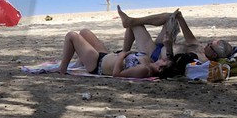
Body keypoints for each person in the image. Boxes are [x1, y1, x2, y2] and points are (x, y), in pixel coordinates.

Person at [56, 27, 190, 78]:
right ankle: (79, 62)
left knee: (71, 35)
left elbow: (117, 74)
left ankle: (62, 69)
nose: (164, 58)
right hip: (105, 55)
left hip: (97, 64)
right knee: (85, 32)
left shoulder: (145, 70)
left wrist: (121, 56)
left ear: (161, 69)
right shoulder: (151, 62)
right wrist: (167, 45)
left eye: (165, 61)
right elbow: (169, 59)